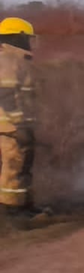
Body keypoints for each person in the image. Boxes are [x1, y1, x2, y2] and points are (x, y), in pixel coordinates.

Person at [0, 17, 39, 223]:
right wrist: (18, 125)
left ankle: (24, 205)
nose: (30, 43)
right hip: (10, 126)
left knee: (23, 165)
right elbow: (5, 94)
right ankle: (12, 211)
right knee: (13, 166)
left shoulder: (16, 60)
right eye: (27, 39)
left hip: (19, 124)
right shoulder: (7, 60)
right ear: (17, 38)